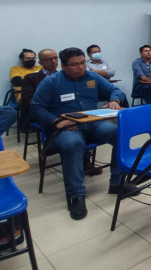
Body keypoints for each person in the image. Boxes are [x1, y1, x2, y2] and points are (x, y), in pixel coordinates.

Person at [30, 47, 135, 220]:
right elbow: (36, 108)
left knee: (119, 134)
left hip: (91, 123)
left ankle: (117, 183)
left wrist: (114, 100)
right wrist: (57, 121)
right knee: (74, 144)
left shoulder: (92, 77)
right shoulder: (52, 82)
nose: (80, 67)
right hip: (65, 127)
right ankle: (76, 195)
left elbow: (114, 90)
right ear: (63, 66)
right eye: (74, 65)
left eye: (82, 63)